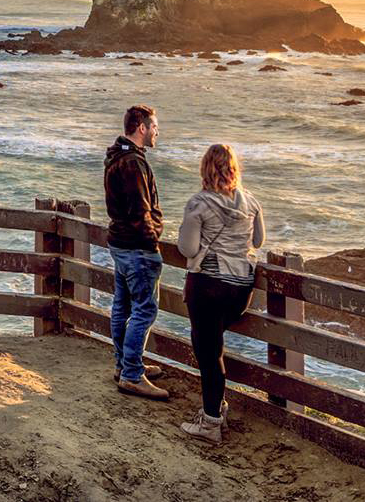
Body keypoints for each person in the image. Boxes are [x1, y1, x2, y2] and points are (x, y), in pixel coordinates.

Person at [176, 142, 264, 442]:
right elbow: (259, 241)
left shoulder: (199, 203)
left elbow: (187, 249)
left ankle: (211, 421)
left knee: (208, 352)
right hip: (240, 290)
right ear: (233, 169)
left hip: (209, 287)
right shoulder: (250, 201)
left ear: (205, 169)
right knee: (214, 349)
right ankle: (216, 408)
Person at [104, 104, 169, 400]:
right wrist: (153, 242)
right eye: (154, 126)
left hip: (119, 244)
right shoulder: (133, 163)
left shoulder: (116, 156)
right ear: (141, 127)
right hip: (136, 248)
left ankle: (125, 364)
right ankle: (131, 373)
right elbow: (141, 211)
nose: (157, 131)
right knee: (145, 310)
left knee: (123, 307)